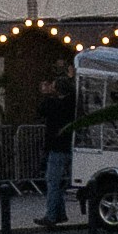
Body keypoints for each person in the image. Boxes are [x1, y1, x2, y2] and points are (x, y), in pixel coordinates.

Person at [34, 79, 79, 226]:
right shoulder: (73, 102)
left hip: (57, 147)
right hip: (70, 145)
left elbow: (41, 110)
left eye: (52, 86)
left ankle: (52, 215)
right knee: (58, 183)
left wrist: (47, 95)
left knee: (52, 181)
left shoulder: (53, 104)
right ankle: (60, 213)